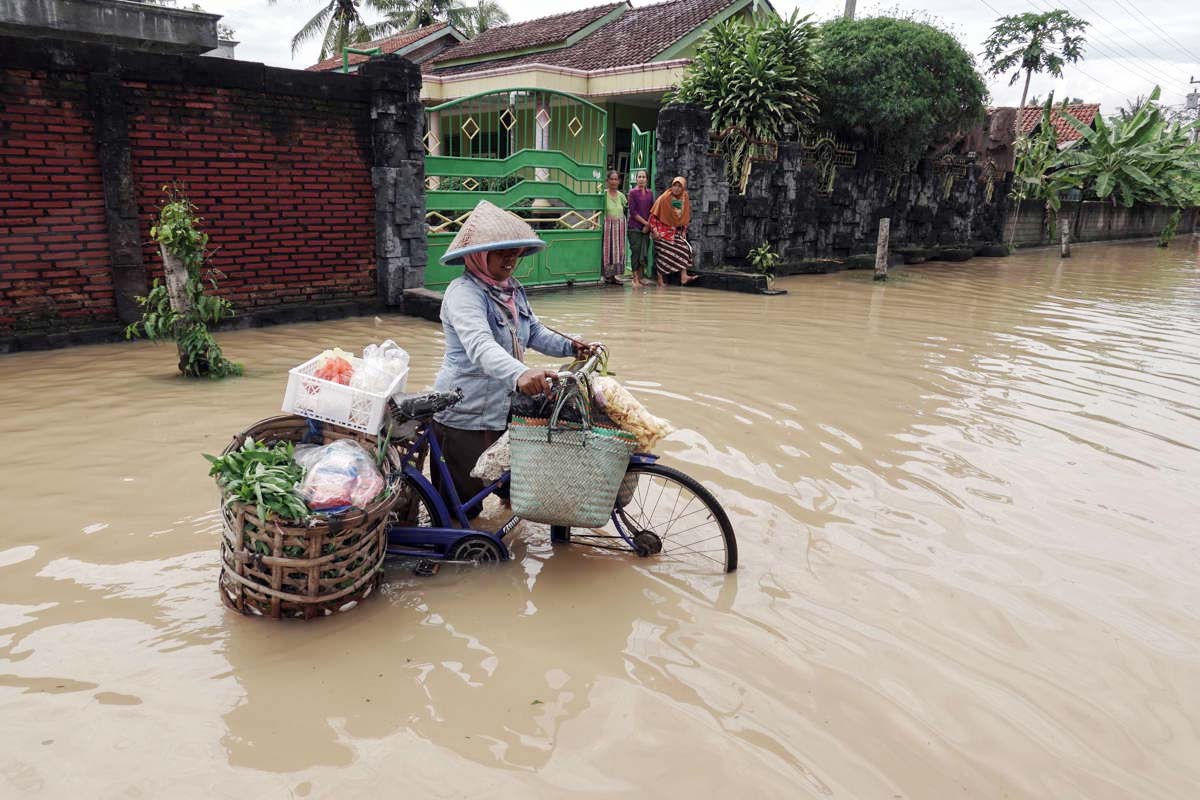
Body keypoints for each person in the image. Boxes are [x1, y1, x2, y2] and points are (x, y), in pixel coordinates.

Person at [433, 199, 597, 518]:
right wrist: (520, 373)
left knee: (512, 489)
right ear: (480, 255)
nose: (510, 259)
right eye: (501, 252)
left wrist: (572, 346)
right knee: (462, 511)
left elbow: (533, 331)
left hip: (504, 408)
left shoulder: (511, 289)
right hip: (466, 414)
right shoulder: (463, 293)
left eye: (515, 251)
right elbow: (480, 345)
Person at [649, 176, 699, 287]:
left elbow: (684, 216)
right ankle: (660, 281)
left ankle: (683, 276)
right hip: (661, 232)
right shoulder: (665, 198)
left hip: (674, 232)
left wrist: (683, 231)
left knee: (685, 249)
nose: (676, 188)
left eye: (679, 186)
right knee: (663, 255)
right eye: (674, 186)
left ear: (683, 188)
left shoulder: (684, 197)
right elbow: (652, 217)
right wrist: (655, 231)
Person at [627, 170, 654, 287]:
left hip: (646, 228)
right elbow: (633, 212)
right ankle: (635, 279)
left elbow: (652, 210)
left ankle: (640, 277)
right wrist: (646, 224)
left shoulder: (650, 193)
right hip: (634, 228)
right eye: (639, 177)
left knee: (644, 253)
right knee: (636, 252)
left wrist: (648, 225)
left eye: (643, 177)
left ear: (647, 179)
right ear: (636, 179)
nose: (641, 179)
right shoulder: (632, 193)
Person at [601, 170, 627, 285]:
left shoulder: (621, 196)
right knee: (608, 251)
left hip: (619, 227)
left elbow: (625, 208)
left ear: (619, 181)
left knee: (617, 251)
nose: (614, 181)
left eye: (616, 179)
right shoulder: (603, 194)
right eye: (611, 179)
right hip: (608, 227)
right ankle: (606, 275)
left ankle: (614, 276)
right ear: (607, 181)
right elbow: (598, 210)